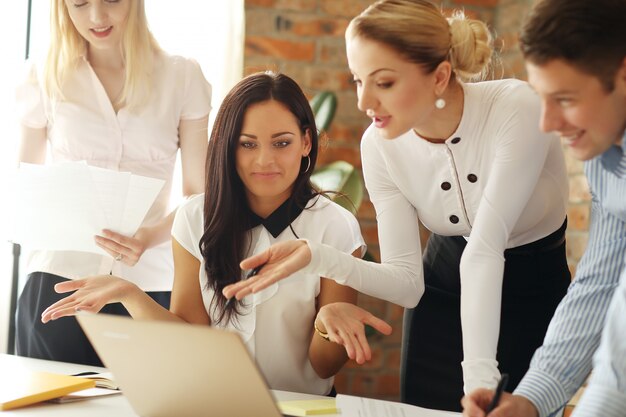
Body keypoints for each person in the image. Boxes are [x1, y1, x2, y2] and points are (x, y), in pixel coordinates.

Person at [223, 0, 572, 411]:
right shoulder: (379, 145)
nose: (364, 101)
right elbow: (407, 284)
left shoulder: (517, 108)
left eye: (383, 83)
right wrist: (315, 256)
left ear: (440, 76)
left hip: (533, 286)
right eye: (358, 81)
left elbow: (485, 248)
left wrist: (479, 376)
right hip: (442, 286)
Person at [40, 71, 393, 395]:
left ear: (306, 143)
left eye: (281, 143)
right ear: (227, 147)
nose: (264, 160)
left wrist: (326, 326)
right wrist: (130, 293)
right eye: (248, 144)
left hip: (300, 406)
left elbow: (323, 366)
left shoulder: (335, 226)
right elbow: (190, 338)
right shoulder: (195, 217)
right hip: (216, 402)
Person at [15, 0, 211, 366]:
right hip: (57, 279)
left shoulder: (182, 77)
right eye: (80, 3)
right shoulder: (42, 74)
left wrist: (148, 237)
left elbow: (199, 195)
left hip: (148, 285)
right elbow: (27, 183)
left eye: (111, 1)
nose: (97, 17)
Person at [461, 0, 626, 416]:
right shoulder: (606, 154)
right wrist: (532, 398)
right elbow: (601, 284)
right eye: (543, 98)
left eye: (565, 99)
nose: (547, 123)